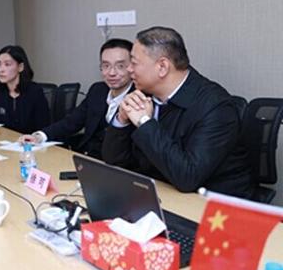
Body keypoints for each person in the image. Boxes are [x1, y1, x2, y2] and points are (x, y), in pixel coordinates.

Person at [102, 26, 254, 197]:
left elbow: (187, 177)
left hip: (211, 204)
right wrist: (121, 121)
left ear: (162, 67)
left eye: (134, 63)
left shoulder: (216, 107)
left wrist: (145, 123)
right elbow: (114, 161)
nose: (129, 69)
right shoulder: (144, 94)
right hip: (160, 192)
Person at [19, 39, 134, 158]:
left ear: (132, 67)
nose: (112, 72)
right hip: (87, 159)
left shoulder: (138, 99)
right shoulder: (98, 90)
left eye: (120, 66)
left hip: (118, 165)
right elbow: (72, 122)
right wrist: (40, 136)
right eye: (106, 66)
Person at [0, 45, 50, 134]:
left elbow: (42, 129)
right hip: (7, 141)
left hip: (31, 141)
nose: (1, 70)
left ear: (20, 67)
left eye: (7, 64)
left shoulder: (35, 92)